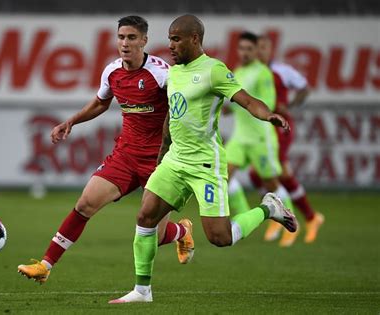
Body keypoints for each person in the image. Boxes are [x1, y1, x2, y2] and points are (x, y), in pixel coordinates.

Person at [109, 15, 298, 304]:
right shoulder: (173, 73)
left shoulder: (214, 70)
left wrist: (267, 114)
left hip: (205, 165)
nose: (170, 45)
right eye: (169, 39)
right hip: (175, 160)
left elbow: (246, 99)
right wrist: (162, 154)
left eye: (176, 39)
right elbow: (172, 116)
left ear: (194, 39)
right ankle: (142, 291)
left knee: (220, 238)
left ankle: (268, 208)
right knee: (145, 216)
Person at [17, 15, 195, 284]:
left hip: (159, 163)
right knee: (85, 204)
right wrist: (71, 121)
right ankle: (45, 265)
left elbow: (184, 109)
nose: (125, 43)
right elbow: (101, 103)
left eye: (132, 37)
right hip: (125, 156)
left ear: (144, 41)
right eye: (121, 37)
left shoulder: (162, 74)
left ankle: (181, 232)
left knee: (155, 237)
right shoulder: (112, 72)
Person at [250, 35, 324, 246]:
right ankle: (288, 215)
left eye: (264, 47)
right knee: (256, 174)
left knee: (278, 171)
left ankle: (306, 217)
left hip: (280, 127)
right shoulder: (252, 72)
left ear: (270, 50)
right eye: (258, 48)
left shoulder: (282, 71)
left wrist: (289, 107)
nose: (260, 51)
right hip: (261, 128)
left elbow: (304, 88)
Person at [224, 32, 297, 246]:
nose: (244, 53)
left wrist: (244, 101)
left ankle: (288, 220)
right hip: (240, 137)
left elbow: (267, 102)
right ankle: (245, 214)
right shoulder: (237, 71)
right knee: (222, 176)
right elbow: (235, 98)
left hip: (260, 138)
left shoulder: (263, 73)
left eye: (249, 49)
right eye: (241, 49)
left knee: (271, 183)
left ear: (256, 51)